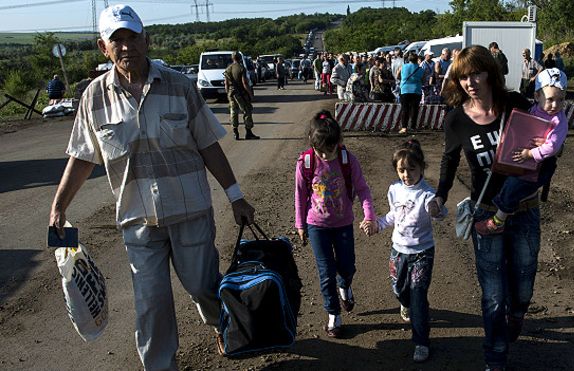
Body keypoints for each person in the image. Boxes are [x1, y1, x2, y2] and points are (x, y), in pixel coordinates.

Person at [48, 5, 256, 370]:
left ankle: (220, 323)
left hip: (190, 211)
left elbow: (208, 143)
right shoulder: (94, 98)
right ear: (103, 48)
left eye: (133, 37)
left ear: (147, 39)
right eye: (117, 41)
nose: (126, 47)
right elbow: (82, 156)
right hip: (138, 221)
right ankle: (160, 365)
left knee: (203, 286)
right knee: (151, 303)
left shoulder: (180, 85)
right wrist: (58, 207)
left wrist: (235, 196)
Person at [435, 45, 539, 371]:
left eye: (476, 73)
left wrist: (555, 143)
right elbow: (449, 161)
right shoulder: (456, 120)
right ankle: (495, 358)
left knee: (522, 286)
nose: (470, 82)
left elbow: (547, 130)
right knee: (494, 295)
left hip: (524, 210)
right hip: (486, 216)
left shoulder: (516, 105)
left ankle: (518, 314)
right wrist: (440, 196)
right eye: (463, 76)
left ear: (490, 73)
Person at [361, 139, 446, 363]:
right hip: (398, 250)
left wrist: (437, 208)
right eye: (401, 170)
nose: (406, 174)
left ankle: (421, 342)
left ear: (421, 167)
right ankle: (405, 304)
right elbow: (393, 216)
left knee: (418, 295)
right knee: (399, 288)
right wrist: (377, 224)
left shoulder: (427, 194)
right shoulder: (394, 189)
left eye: (411, 169)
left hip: (422, 252)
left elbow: (440, 213)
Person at [294, 110, 376, 338]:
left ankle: (345, 285)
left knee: (347, 265)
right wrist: (300, 224)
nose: (326, 156)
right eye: (321, 151)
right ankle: (333, 315)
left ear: (339, 142)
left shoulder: (347, 160)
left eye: (330, 150)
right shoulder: (306, 162)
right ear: (313, 143)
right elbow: (300, 195)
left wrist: (368, 215)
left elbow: (363, 190)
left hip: (343, 224)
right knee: (325, 271)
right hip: (316, 225)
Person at [475, 68, 567, 235]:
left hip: (542, 164)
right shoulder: (534, 109)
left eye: (561, 100)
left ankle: (498, 221)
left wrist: (530, 153)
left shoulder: (558, 120)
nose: (555, 105)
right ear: (538, 96)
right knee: (512, 184)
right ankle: (509, 209)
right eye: (551, 99)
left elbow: (552, 147)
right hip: (530, 162)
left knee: (514, 186)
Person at [224, 52, 259, 140]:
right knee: (247, 111)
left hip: (231, 94)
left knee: (233, 112)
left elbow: (226, 85)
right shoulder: (241, 68)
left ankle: (235, 132)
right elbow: (245, 83)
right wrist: (250, 94)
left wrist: (228, 94)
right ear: (239, 58)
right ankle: (248, 132)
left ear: (232, 58)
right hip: (241, 94)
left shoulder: (228, 69)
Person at [398, 52, 424, 134]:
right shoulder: (421, 69)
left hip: (405, 89)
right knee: (414, 109)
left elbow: (397, 75)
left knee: (405, 109)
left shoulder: (403, 67)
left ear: (408, 59)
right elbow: (423, 80)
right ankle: (413, 127)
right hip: (416, 90)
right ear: (417, 60)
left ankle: (404, 127)